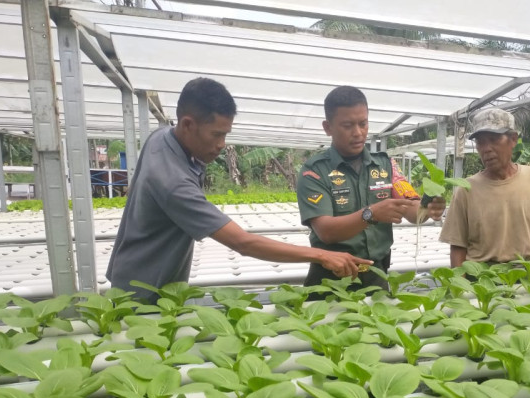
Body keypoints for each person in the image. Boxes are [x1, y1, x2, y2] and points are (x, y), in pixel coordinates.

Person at [106, 77, 369, 303]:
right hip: (142, 292)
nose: (222, 145)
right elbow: (243, 243)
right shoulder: (173, 183)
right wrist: (322, 255)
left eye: (225, 134)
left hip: (133, 272)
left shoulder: (161, 137)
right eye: (216, 135)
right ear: (187, 125)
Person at [296, 86, 445, 290]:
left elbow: (412, 212)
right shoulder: (314, 172)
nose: (358, 133)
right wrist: (371, 214)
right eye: (347, 125)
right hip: (330, 280)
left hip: (377, 276)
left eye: (363, 123)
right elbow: (326, 231)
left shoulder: (386, 166)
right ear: (328, 127)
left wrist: (428, 207)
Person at [439, 107, 530, 267]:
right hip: (483, 279)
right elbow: (458, 245)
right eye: (480, 142)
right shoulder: (466, 189)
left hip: (527, 275)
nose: (486, 149)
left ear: (513, 139)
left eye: (494, 140)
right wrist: (459, 288)